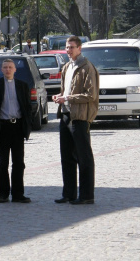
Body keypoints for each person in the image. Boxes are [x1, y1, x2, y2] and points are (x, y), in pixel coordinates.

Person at [52, 36, 99, 205]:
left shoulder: (87, 67)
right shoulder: (66, 67)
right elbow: (66, 91)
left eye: (72, 47)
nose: (69, 50)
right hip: (65, 114)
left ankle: (86, 195)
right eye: (67, 47)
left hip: (80, 116)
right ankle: (69, 193)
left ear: (80, 48)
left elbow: (90, 95)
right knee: (66, 156)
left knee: (83, 156)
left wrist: (68, 98)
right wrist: (60, 96)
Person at [0, 59, 32, 204]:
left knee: (18, 162)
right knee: (3, 162)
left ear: (15, 70)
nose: (8, 70)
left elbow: (28, 107)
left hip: (17, 127)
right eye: (5, 67)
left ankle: (18, 194)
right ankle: (3, 194)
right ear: (1, 69)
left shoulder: (23, 86)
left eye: (10, 67)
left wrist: (27, 124)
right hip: (3, 127)